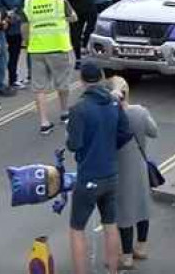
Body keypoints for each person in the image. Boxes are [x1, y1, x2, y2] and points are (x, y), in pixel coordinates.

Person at [66, 62, 133, 274]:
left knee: (77, 229)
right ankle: (113, 270)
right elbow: (126, 132)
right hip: (111, 174)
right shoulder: (113, 103)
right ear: (102, 77)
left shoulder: (79, 109)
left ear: (82, 80)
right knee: (110, 224)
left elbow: (74, 144)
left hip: (88, 176)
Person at [107, 76, 158, 269]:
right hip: (139, 164)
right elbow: (154, 132)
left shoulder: (109, 116)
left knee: (125, 212)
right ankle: (142, 247)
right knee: (142, 207)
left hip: (118, 168)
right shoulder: (139, 111)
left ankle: (126, 256)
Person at [22, 0, 77, 135]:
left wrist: (27, 42)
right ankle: (64, 113)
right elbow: (74, 17)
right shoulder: (60, 1)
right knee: (63, 83)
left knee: (39, 88)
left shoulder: (29, 3)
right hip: (58, 46)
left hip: (37, 48)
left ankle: (44, 122)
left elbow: (25, 26)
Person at [0, 0, 26, 89]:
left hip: (16, 22)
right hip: (10, 25)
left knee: (15, 52)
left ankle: (13, 77)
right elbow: (12, 2)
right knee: (11, 52)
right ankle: (11, 78)